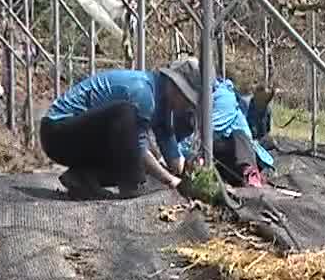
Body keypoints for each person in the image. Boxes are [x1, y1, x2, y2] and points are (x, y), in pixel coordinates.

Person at [40, 58, 201, 199]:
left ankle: (82, 177)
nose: (187, 106)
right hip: (58, 133)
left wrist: (185, 171)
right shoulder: (143, 92)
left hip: (82, 139)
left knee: (145, 166)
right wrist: (170, 180)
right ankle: (131, 184)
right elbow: (138, 149)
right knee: (125, 115)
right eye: (187, 99)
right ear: (174, 86)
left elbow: (167, 141)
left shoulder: (163, 105)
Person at [175, 76, 275, 188]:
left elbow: (210, 130)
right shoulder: (198, 100)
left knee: (239, 135)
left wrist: (180, 152)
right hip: (220, 151)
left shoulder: (225, 98)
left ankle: (251, 174)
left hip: (241, 151)